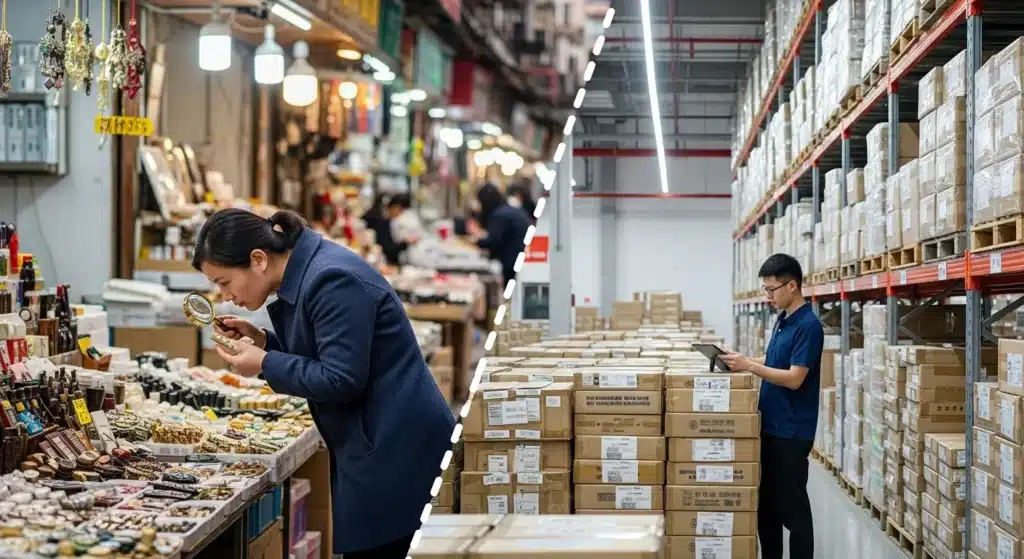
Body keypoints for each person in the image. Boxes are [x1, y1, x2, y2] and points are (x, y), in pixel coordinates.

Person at [191, 209, 455, 559]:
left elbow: (341, 378)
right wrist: (266, 342)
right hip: (379, 440)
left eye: (224, 282)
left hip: (396, 450)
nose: (225, 296)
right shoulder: (313, 270)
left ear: (258, 260)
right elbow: (331, 350)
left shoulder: (331, 278)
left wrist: (265, 363)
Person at [719, 253, 823, 559]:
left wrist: (750, 366)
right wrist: (741, 362)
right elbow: (776, 362)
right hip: (771, 426)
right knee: (766, 508)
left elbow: (794, 378)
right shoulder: (783, 320)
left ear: (792, 286)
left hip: (791, 432)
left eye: (771, 289)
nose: (768, 296)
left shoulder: (808, 326)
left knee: (794, 511)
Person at [469, 183, 530, 287]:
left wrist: (475, 241)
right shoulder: (509, 210)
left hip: (511, 262)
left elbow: (493, 240)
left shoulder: (499, 215)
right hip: (522, 259)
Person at [362, 193, 409, 266]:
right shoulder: (380, 221)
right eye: (400, 210)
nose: (400, 214)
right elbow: (388, 249)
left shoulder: (377, 217)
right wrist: (405, 243)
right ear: (393, 207)